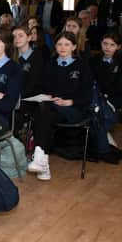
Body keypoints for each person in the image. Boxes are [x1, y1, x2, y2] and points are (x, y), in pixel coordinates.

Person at [27, 32, 93, 180]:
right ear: (55, 46)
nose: (63, 48)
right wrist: (48, 96)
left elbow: (87, 96)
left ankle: (40, 158)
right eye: (59, 44)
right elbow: (42, 86)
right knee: (44, 111)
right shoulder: (50, 64)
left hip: (74, 109)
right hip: (52, 107)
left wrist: (71, 101)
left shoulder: (82, 66)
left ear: (74, 47)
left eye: (67, 44)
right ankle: (42, 161)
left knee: (43, 113)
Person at [89, 33, 122, 163]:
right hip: (97, 96)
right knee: (95, 107)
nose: (107, 47)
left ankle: (97, 145)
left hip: (115, 96)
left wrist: (105, 95)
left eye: (112, 45)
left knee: (96, 115)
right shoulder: (93, 60)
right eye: (105, 44)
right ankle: (103, 147)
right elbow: (90, 81)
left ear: (118, 47)